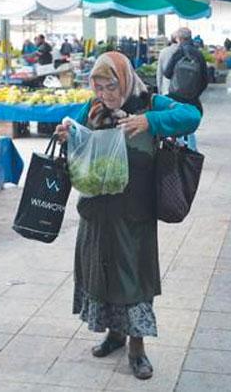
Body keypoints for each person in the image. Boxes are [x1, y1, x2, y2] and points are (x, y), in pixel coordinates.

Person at [54, 51, 201, 381]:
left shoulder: (150, 102)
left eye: (111, 86)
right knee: (102, 273)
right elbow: (74, 128)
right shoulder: (93, 107)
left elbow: (192, 116)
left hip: (134, 211)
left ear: (125, 80)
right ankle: (114, 335)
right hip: (97, 209)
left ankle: (137, 347)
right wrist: (67, 133)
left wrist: (151, 122)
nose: (105, 95)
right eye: (99, 87)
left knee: (134, 277)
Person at [163, 27, 208, 113]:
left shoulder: (178, 52)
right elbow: (205, 79)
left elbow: (167, 74)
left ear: (179, 38)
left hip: (175, 97)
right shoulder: (198, 54)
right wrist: (195, 93)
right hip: (193, 98)